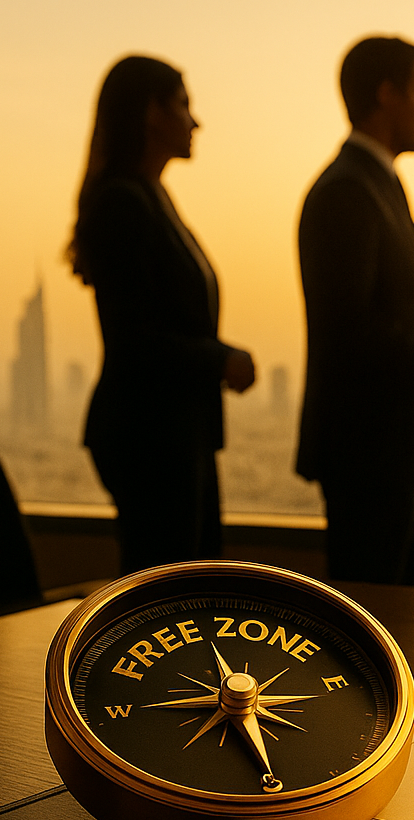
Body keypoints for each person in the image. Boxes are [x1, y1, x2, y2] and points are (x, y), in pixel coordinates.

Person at [295, 36, 414, 584]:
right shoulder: (348, 191)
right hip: (367, 452)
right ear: (386, 95)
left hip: (384, 451)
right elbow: (350, 329)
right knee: (374, 621)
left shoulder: (372, 184)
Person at [69, 56, 256, 575]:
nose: (195, 122)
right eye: (184, 105)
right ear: (152, 112)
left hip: (172, 433)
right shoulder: (124, 204)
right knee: (167, 596)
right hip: (152, 437)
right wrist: (220, 360)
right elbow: (136, 340)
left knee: (179, 591)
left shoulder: (147, 197)